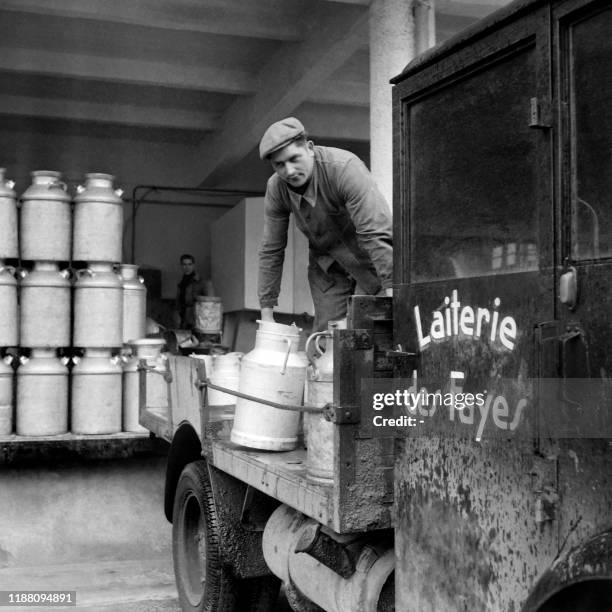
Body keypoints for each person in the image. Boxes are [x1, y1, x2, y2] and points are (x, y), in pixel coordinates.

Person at [257, 117, 393, 332]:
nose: (289, 171)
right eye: (279, 165)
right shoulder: (276, 188)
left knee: (371, 334)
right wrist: (267, 313)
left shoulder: (345, 168)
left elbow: (374, 233)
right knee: (324, 342)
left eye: (294, 159)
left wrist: (393, 290)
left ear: (309, 148)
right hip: (327, 269)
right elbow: (271, 250)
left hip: (371, 263)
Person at [173, 253, 207, 329]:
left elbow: (208, 304)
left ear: (193, 265)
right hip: (183, 318)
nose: (187, 267)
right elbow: (178, 303)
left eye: (189, 264)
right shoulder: (181, 283)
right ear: (181, 266)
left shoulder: (201, 282)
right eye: (184, 264)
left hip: (196, 318)